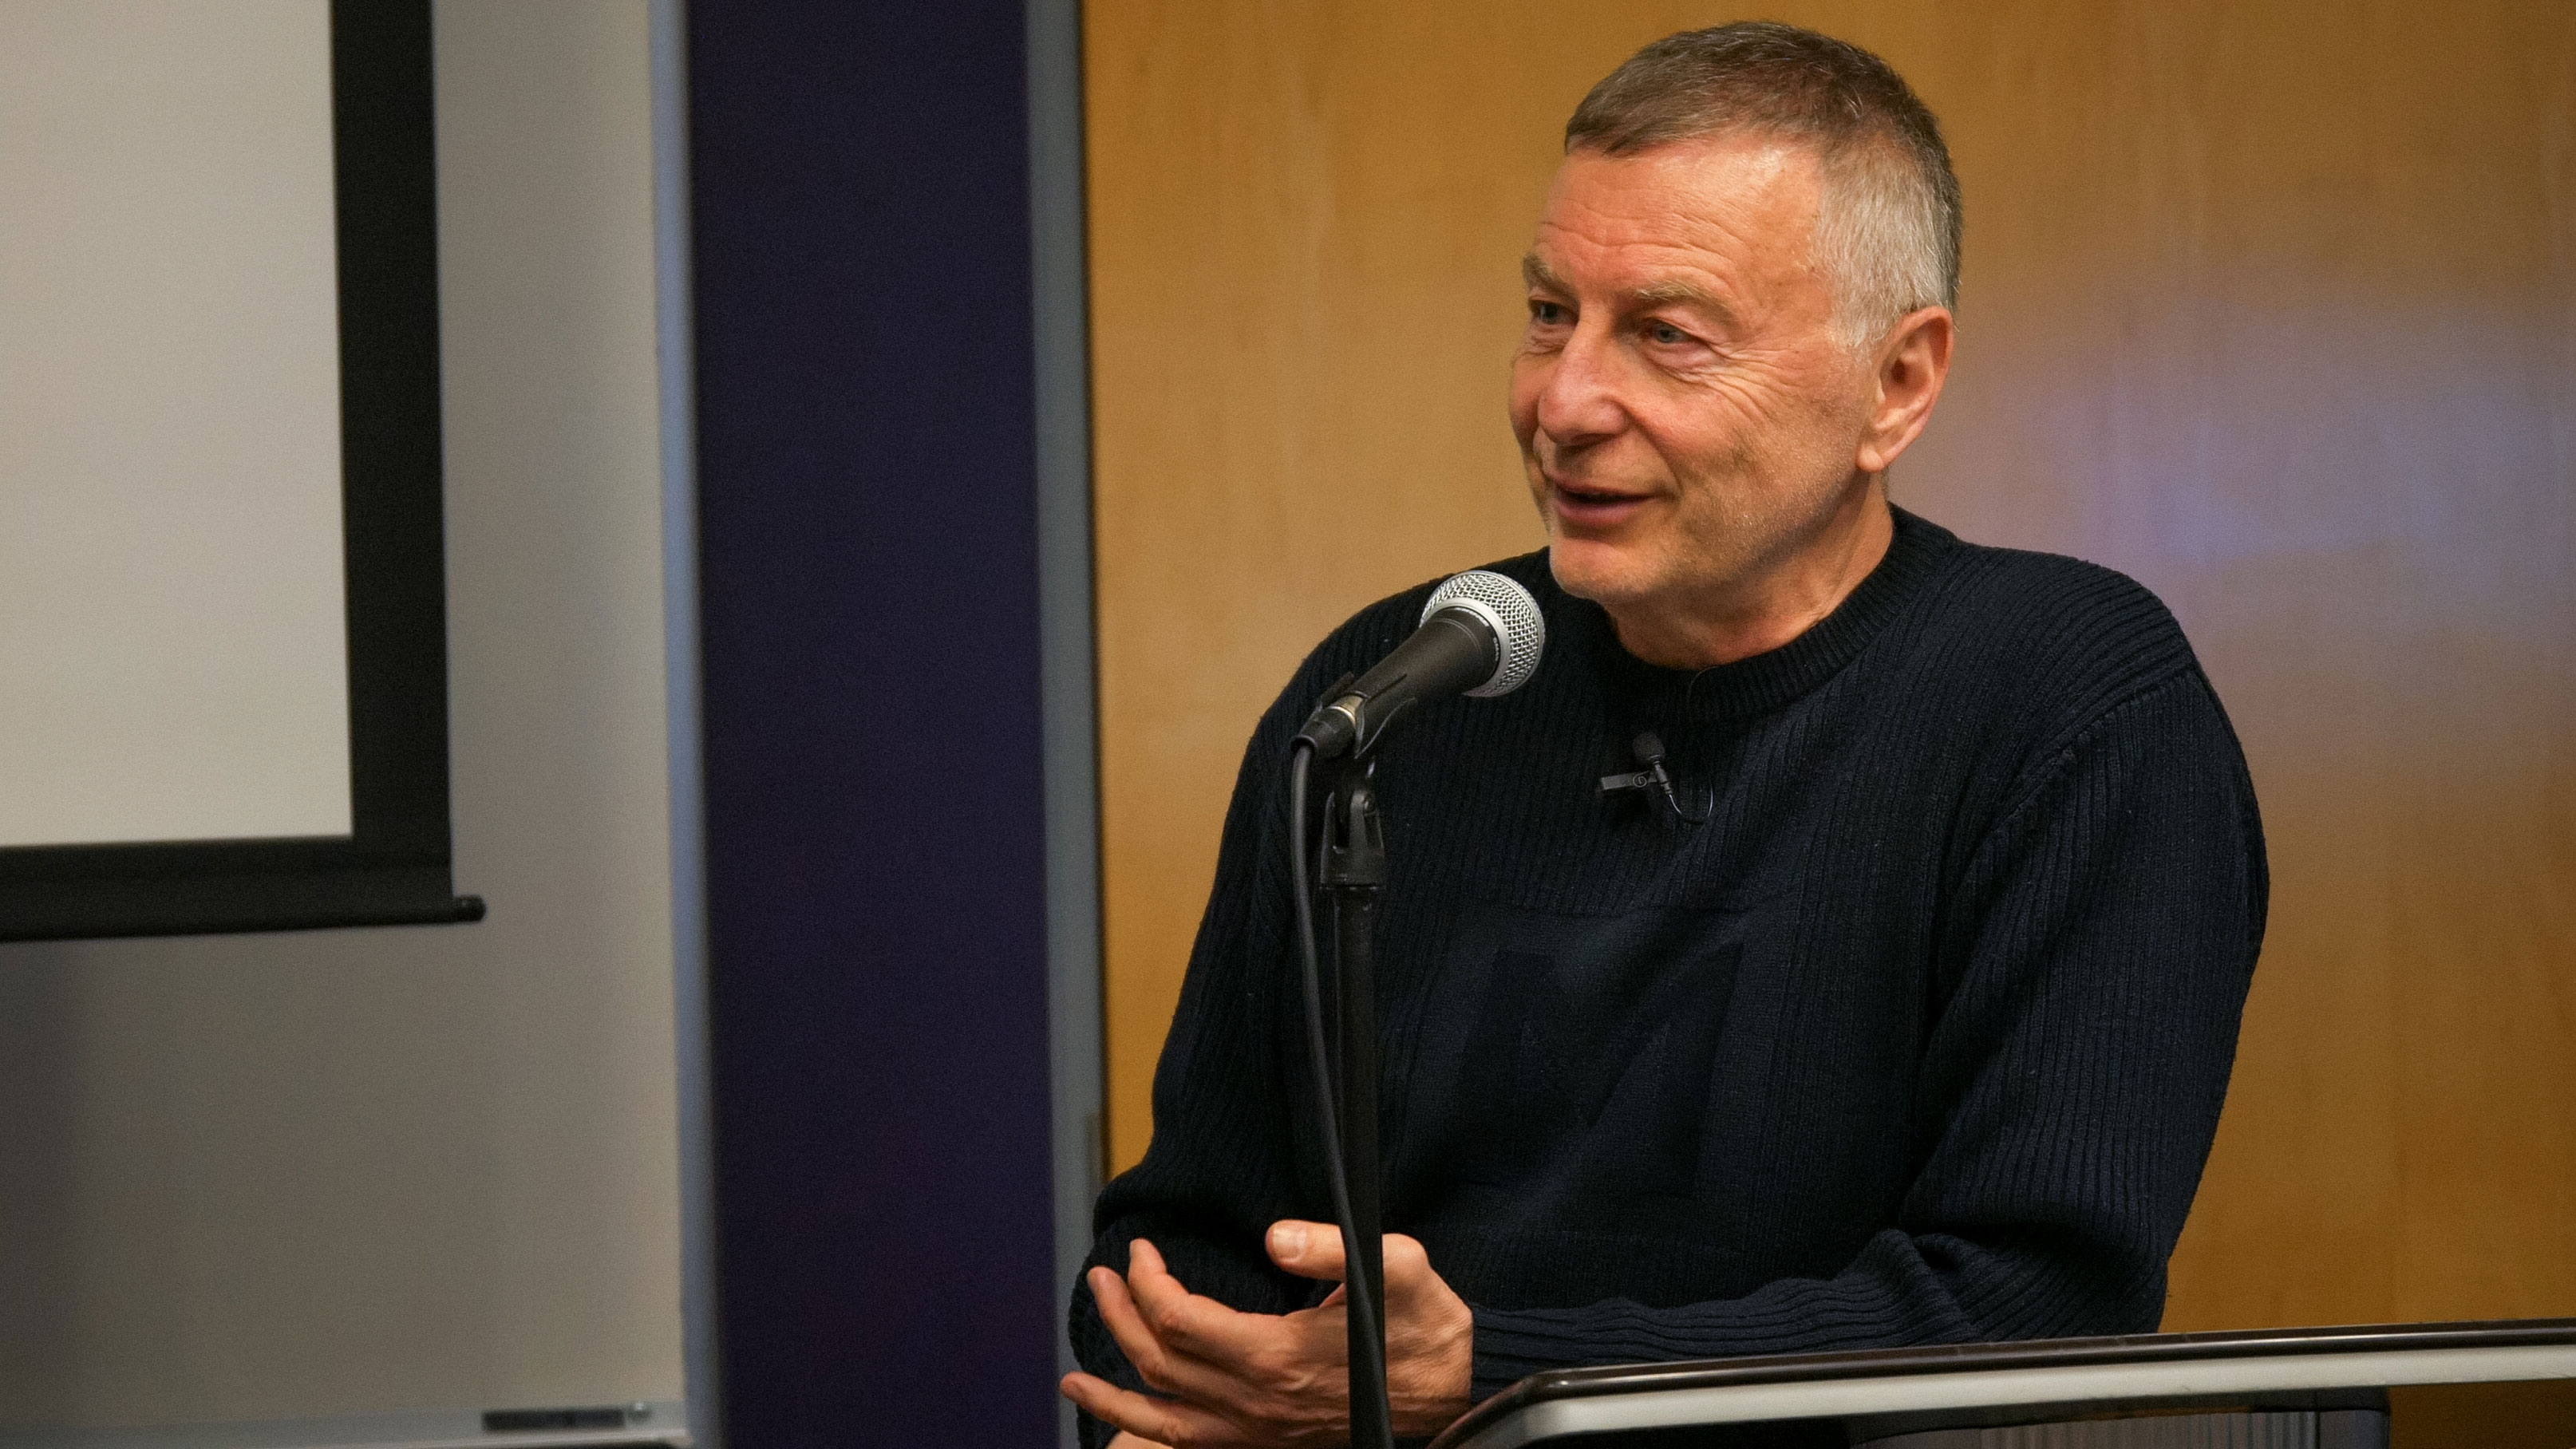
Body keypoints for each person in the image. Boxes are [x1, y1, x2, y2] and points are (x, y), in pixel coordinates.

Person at [1061, 22, 2266, 1449]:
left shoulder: (2073, 705)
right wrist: (1200, 1383)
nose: (1563, 402)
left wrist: (1497, 1383)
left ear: (1897, 384)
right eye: (1548, 313)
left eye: (1667, 335)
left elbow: (2035, 1307)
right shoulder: (1397, 686)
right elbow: (1183, 1241)